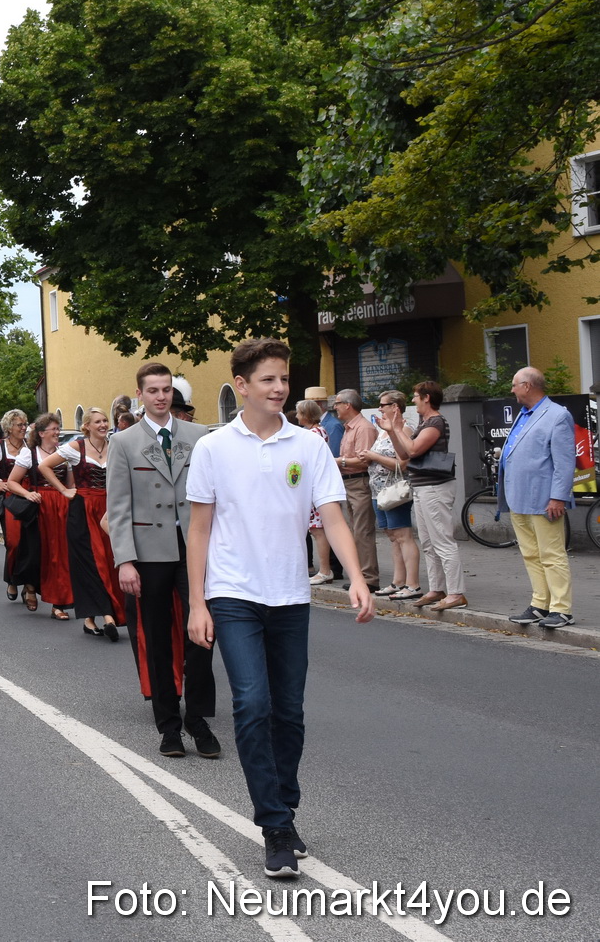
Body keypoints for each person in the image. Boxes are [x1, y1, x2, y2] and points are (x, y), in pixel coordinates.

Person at [186, 337, 374, 879]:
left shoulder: (309, 446)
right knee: (252, 704)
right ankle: (273, 826)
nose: (279, 388)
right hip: (233, 594)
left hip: (290, 595)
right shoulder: (215, 448)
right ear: (242, 386)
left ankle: (284, 808)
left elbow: (332, 515)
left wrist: (356, 578)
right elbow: (198, 532)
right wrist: (198, 603)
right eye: (268, 380)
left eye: (284, 379)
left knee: (288, 712)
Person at [109, 363, 219, 759]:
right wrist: (125, 560)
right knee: (156, 638)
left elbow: (214, 495)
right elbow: (118, 505)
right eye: (152, 390)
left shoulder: (198, 436)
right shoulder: (123, 442)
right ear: (140, 395)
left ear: (173, 394)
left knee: (202, 634)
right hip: (148, 551)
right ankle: (168, 725)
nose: (160, 396)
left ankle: (199, 720)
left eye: (166, 389)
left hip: (193, 548)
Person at [498, 366, 578, 628]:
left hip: (544, 499)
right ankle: (540, 604)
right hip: (519, 496)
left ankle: (561, 609)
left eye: (514, 385)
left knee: (551, 554)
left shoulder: (557, 415)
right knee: (531, 554)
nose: (512, 390)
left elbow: (565, 462)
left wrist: (558, 497)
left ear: (528, 386)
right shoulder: (524, 414)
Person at [40, 411, 125, 640]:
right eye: (98, 421)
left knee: (109, 561)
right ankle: (107, 615)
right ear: (86, 426)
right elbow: (45, 466)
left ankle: (90, 619)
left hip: (109, 509)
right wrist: (64, 490)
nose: (103, 424)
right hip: (83, 510)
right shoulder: (77, 447)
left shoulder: (115, 445)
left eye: (105, 420)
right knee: (89, 562)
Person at [385, 381, 464, 610]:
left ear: (427, 397)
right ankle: (437, 589)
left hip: (435, 487)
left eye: (416, 396)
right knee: (429, 543)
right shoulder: (424, 423)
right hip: (422, 487)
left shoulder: (436, 422)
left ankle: (456, 593)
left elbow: (412, 450)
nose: (413, 400)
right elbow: (403, 456)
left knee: (442, 541)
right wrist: (393, 431)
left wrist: (398, 429)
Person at [0, 409, 41, 607]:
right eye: (19, 425)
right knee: (13, 543)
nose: (23, 428)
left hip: (32, 498)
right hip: (11, 499)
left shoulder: (32, 446)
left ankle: (29, 588)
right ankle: (13, 580)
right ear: (8, 428)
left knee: (32, 545)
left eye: (25, 424)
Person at [359, 391, 420, 601]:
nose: (379, 408)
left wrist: (373, 456)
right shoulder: (383, 430)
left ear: (395, 407)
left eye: (383, 404)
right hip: (379, 491)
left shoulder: (404, 429)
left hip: (395, 491)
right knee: (393, 537)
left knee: (403, 536)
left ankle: (412, 584)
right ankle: (398, 581)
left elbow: (402, 463)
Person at [331, 389, 381, 592]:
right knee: (354, 531)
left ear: (347, 405)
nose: (335, 407)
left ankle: (369, 578)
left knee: (362, 531)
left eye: (337, 403)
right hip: (349, 482)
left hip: (359, 482)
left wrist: (337, 461)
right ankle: (361, 576)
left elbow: (364, 460)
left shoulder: (363, 428)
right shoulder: (349, 428)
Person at [26, 414, 75, 620]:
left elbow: (71, 485)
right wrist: (28, 493)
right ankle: (31, 585)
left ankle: (59, 602)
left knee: (61, 554)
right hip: (39, 508)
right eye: (54, 429)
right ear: (41, 433)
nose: (57, 433)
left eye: (58, 428)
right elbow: (12, 481)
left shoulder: (65, 453)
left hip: (62, 506)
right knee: (39, 554)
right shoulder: (29, 454)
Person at [293, 400, 336, 585]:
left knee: (318, 530)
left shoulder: (313, 434)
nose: (296, 416)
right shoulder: (320, 431)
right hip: (315, 485)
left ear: (305, 415)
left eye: (298, 413)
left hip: (313, 487)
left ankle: (325, 570)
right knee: (316, 529)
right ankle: (325, 569)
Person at [304, 386, 344, 460]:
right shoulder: (306, 426)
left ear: (318, 405)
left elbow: (335, 455)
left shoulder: (334, 425)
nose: (304, 410)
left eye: (307, 406)